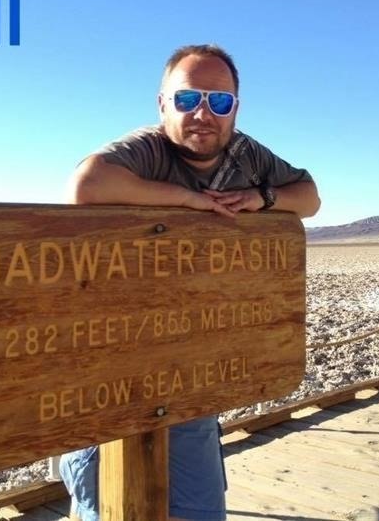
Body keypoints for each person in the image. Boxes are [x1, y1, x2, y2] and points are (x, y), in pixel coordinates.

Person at [61, 44, 320, 521]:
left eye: (219, 101)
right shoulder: (146, 150)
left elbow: (309, 198)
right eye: (187, 99)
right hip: (110, 371)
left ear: (235, 109)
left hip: (190, 364)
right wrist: (186, 200)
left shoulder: (245, 155)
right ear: (163, 104)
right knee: (103, 502)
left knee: (201, 507)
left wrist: (262, 198)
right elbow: (87, 186)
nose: (203, 114)